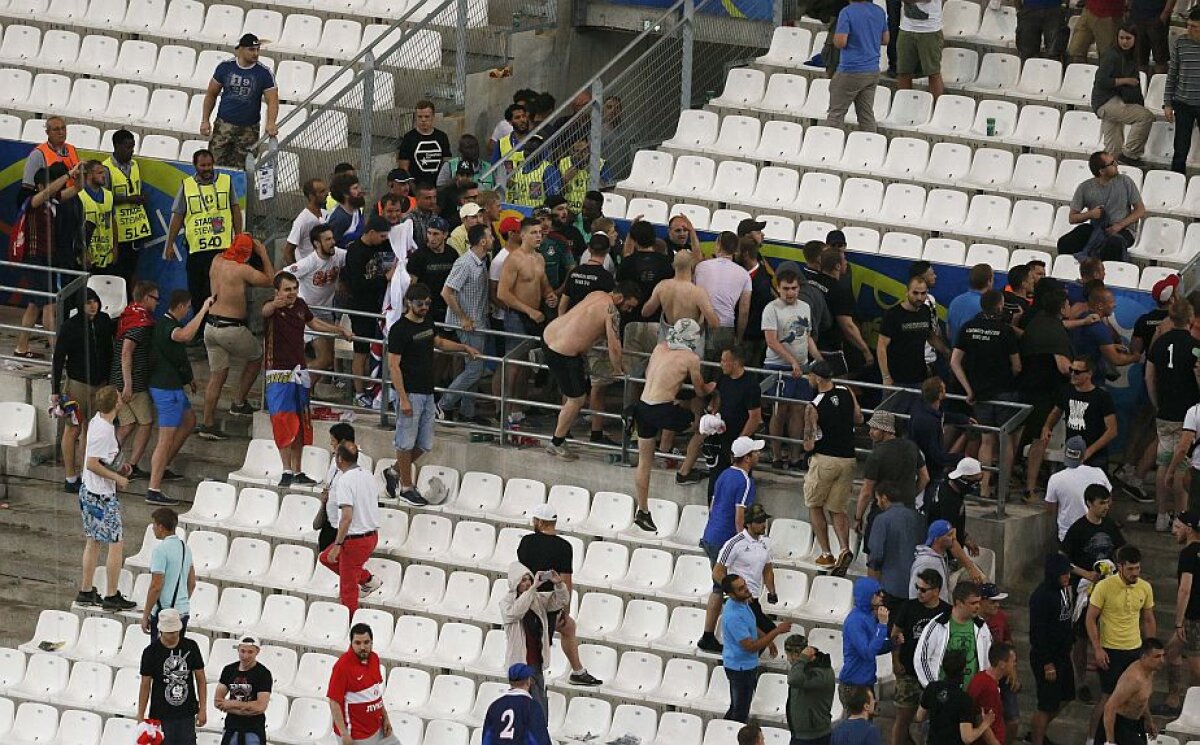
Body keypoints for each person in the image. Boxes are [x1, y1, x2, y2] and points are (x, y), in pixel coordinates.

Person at [382, 284, 480, 505]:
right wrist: (403, 398)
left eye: (427, 303)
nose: (424, 307)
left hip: (427, 391)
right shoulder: (399, 330)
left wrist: (463, 348)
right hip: (410, 392)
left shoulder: (427, 322)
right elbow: (393, 366)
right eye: (420, 304)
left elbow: (438, 342)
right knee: (405, 442)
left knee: (424, 443)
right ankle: (407, 487)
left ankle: (394, 472)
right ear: (409, 303)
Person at [263, 271, 352, 486]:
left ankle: (297, 470)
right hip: (278, 372)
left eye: (294, 288)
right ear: (277, 292)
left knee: (302, 422)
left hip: (300, 371)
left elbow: (314, 323)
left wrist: (338, 330)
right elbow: (265, 311)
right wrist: (276, 304)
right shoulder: (272, 308)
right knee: (282, 420)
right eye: (287, 289)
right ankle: (285, 470)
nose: (291, 293)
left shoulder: (301, 305)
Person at [542, 282, 640, 460]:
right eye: (628, 305)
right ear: (619, 298)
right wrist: (618, 369)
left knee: (574, 392)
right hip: (563, 353)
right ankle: (556, 442)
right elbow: (615, 346)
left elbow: (584, 323)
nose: (629, 310)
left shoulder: (597, 293)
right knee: (577, 399)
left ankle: (560, 438)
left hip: (549, 337)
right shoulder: (611, 311)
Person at [633, 319, 715, 532]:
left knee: (644, 461)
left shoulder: (659, 348)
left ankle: (642, 510)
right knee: (702, 426)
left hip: (643, 406)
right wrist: (714, 385)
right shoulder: (691, 357)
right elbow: (700, 391)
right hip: (662, 410)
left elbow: (651, 375)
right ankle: (685, 471)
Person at [198, 233, 274, 441]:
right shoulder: (242, 270)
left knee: (217, 377)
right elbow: (270, 279)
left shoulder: (217, 260)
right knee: (256, 356)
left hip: (211, 327)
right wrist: (264, 253)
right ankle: (239, 402)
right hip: (231, 328)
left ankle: (207, 423)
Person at [516, 505, 602, 687]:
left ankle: (577, 671)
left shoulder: (526, 542)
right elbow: (565, 580)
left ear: (539, 522)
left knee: (565, 629)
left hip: (527, 600)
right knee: (562, 629)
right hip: (548, 602)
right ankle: (572, 673)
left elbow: (521, 572)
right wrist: (566, 608)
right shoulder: (564, 547)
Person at [951, 289, 1022, 499]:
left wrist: (968, 389)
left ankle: (983, 488)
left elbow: (954, 361)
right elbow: (1017, 366)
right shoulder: (1006, 331)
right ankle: (1002, 488)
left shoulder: (968, 327)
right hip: (1004, 392)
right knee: (1005, 440)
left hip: (979, 394)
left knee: (986, 440)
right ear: (1000, 306)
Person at [697, 443, 768, 653]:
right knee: (738, 590)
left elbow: (713, 505)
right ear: (747, 457)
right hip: (726, 541)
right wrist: (744, 543)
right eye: (755, 452)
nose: (759, 454)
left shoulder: (724, 474)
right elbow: (740, 516)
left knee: (719, 588)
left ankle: (708, 636)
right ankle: (745, 639)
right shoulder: (745, 481)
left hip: (711, 535)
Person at [146, 290, 213, 506]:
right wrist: (204, 309)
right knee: (164, 440)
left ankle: (163, 465)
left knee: (189, 420)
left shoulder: (163, 324)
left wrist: (189, 377)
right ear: (183, 307)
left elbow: (177, 354)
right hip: (166, 390)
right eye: (189, 307)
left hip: (174, 385)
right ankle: (154, 488)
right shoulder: (168, 326)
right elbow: (184, 335)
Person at [73, 384, 135, 612]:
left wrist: (120, 467)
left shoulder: (98, 421)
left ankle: (86, 590)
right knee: (116, 543)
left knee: (93, 540)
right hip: (100, 495)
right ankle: (111, 594)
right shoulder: (104, 430)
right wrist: (118, 479)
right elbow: (92, 463)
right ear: (116, 403)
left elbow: (100, 458)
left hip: (89, 489)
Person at [1086, 544, 1157, 738]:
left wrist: (1151, 649)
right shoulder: (1104, 587)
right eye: (1131, 568)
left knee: (1136, 696)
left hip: (1135, 651)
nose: (1135, 573)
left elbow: (1149, 618)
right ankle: (1092, 739)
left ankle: (1130, 737)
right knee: (1108, 697)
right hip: (1111, 651)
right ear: (1120, 567)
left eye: (1138, 568)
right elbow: (1090, 618)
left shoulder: (1145, 587)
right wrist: (1097, 648)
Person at [164, 149, 244, 316]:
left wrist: (239, 237)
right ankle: (199, 328)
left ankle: (218, 324)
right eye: (202, 165)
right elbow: (178, 216)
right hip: (196, 250)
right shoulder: (187, 185)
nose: (207, 168)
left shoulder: (225, 181)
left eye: (209, 165)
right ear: (195, 166)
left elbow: (235, 210)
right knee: (197, 290)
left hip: (221, 248)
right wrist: (169, 244)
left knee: (220, 289)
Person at [802, 359, 863, 572]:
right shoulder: (846, 391)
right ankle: (844, 548)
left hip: (825, 458)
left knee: (815, 505)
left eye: (810, 375)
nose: (808, 379)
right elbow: (859, 418)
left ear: (817, 378)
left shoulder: (814, 405)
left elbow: (809, 442)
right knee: (837, 509)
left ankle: (826, 553)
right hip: (848, 459)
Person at [53, 288, 115, 493]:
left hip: (100, 384)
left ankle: (88, 475)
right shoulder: (70, 326)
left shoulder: (104, 321)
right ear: (80, 305)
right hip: (78, 385)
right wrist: (55, 390)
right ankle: (71, 477)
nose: (93, 305)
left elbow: (110, 351)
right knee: (73, 429)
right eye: (88, 302)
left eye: (95, 301)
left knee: (91, 431)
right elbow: (58, 359)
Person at [1147, 296, 1200, 529]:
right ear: (1190, 318)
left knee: (1163, 463)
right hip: (1186, 414)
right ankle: (1181, 516)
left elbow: (1149, 377)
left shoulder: (1159, 343)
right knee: (1181, 466)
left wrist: (1156, 403)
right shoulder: (1195, 347)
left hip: (1164, 412)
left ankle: (1161, 515)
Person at [683, 345, 763, 491]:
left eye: (724, 361)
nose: (721, 364)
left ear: (735, 363)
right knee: (716, 480)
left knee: (737, 483)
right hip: (720, 438)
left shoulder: (750, 385)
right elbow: (717, 395)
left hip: (738, 440)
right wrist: (713, 414)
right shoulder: (723, 378)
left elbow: (755, 417)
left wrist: (740, 442)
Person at [763, 267, 821, 469]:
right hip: (778, 366)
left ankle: (795, 456)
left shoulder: (805, 307)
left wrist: (819, 360)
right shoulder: (771, 309)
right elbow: (771, 341)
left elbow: (806, 337)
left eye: (794, 288)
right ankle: (777, 456)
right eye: (786, 288)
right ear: (778, 288)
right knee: (780, 411)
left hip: (802, 367)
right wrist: (792, 361)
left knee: (799, 411)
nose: (790, 292)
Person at [438, 224, 494, 424]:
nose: (494, 239)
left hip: (479, 322)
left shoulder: (482, 261)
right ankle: (444, 404)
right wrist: (462, 318)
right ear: (482, 241)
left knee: (474, 369)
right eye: (490, 236)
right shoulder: (465, 264)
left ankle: (467, 411)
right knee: (474, 370)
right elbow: (447, 292)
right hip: (467, 325)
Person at [720, 573, 792, 722]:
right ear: (732, 595)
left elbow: (751, 626)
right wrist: (776, 631)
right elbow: (750, 647)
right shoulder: (733, 616)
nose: (746, 589)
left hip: (744, 665)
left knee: (737, 706)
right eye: (741, 588)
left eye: (745, 584)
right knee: (740, 711)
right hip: (740, 669)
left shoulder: (742, 602)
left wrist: (767, 639)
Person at [320, 442, 382, 615]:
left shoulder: (345, 480)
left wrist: (338, 545)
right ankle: (367, 579)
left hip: (354, 539)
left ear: (339, 459)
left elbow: (346, 517)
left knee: (347, 591)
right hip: (371, 535)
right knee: (325, 558)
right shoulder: (368, 475)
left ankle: (351, 624)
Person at [281, 223, 346, 389]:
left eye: (333, 238)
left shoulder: (338, 254)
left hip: (327, 311)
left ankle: (305, 392)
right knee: (324, 359)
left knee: (327, 360)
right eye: (328, 239)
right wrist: (289, 301)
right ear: (317, 243)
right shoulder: (308, 263)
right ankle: (289, 380)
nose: (333, 242)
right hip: (308, 314)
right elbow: (281, 276)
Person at [501, 562, 570, 714]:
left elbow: (561, 601)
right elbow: (516, 612)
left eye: (528, 579)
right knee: (523, 705)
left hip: (536, 661)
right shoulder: (506, 602)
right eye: (522, 580)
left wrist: (559, 584)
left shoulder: (537, 599)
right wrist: (533, 588)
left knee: (539, 702)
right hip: (519, 663)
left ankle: (539, 731)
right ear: (515, 582)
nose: (526, 583)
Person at [892, 568, 951, 745]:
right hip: (908, 672)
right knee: (903, 717)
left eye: (923, 590)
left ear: (936, 591)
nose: (919, 592)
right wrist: (895, 661)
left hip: (934, 676)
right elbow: (895, 634)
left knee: (932, 719)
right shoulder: (908, 607)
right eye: (917, 588)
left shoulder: (947, 612)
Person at [201, 34, 277, 167]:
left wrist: (271, 123)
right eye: (251, 49)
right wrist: (205, 120)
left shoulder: (264, 73)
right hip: (224, 125)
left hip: (248, 129)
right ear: (240, 49)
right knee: (215, 164)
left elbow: (273, 100)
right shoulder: (225, 67)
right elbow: (211, 94)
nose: (256, 53)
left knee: (242, 169)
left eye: (258, 49)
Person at [1056, 151, 1146, 260]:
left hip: (1123, 229)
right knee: (1066, 242)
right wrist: (1090, 214)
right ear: (1102, 171)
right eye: (1112, 164)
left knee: (1112, 243)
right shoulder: (1085, 187)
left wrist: (1120, 225)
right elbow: (1072, 218)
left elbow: (1140, 210)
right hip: (1096, 227)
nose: (1116, 165)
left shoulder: (1125, 181)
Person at [1028, 553, 1076, 745]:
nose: (1068, 577)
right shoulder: (1041, 597)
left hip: (1063, 655)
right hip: (1047, 658)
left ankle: (1038, 732)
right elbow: (1037, 634)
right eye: (1064, 573)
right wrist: (1047, 663)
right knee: (1046, 705)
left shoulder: (1063, 590)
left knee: (1066, 696)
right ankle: (1036, 739)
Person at [138, 609, 206, 744]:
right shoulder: (150, 652)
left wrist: (203, 708)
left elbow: (201, 679)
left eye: (175, 631)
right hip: (161, 713)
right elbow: (145, 685)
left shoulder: (191, 646)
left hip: (186, 712)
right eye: (169, 632)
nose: (173, 635)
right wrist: (140, 714)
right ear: (161, 631)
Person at [617, 219, 675, 376]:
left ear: (634, 240)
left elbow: (620, 287)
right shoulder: (665, 263)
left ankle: (630, 401)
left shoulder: (628, 263)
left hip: (631, 322)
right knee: (655, 374)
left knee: (631, 375)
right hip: (657, 323)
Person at [1041, 356, 1118, 472]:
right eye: (1071, 370)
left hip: (1095, 455)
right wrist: (1047, 426)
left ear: (1089, 374)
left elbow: (1112, 430)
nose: (1072, 374)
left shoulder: (1101, 397)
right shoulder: (1066, 391)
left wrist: (1090, 451)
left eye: (1077, 372)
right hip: (1071, 451)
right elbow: (1056, 412)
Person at [712, 503, 779, 637]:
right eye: (759, 521)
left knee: (758, 635)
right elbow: (717, 572)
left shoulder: (766, 542)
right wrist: (735, 593)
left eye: (764, 520)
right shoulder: (735, 543)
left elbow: (767, 569)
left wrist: (772, 592)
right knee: (765, 632)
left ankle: (736, 658)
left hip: (753, 598)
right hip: (740, 600)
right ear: (748, 524)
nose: (763, 525)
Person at [1095, 24, 1157, 165]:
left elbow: (1134, 87)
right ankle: (1130, 154)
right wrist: (1126, 80)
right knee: (1146, 117)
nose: (1124, 41)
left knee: (1112, 152)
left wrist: (1138, 103)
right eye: (1121, 38)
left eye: (1128, 38)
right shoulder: (1111, 55)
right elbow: (1101, 81)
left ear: (1135, 39)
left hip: (1113, 102)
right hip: (1106, 101)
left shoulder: (1130, 56)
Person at [913, 581, 994, 689]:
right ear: (959, 603)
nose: (978, 606)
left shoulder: (982, 627)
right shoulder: (937, 625)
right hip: (943, 695)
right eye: (973, 603)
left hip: (973, 695)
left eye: (978, 602)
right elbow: (921, 659)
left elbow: (989, 659)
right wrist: (933, 688)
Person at [880, 275, 945, 399]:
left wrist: (947, 352)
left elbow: (930, 336)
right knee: (889, 416)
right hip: (896, 378)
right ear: (907, 291)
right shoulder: (893, 314)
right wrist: (886, 377)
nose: (919, 297)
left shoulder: (925, 311)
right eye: (915, 293)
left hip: (919, 377)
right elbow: (881, 346)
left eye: (923, 293)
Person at [827, 0, 889, 130]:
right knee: (866, 115)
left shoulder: (847, 12)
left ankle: (831, 146)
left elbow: (840, 42)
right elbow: (885, 39)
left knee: (836, 115)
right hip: (872, 70)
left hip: (850, 69)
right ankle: (870, 146)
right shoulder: (879, 11)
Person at [867, 480, 928, 610]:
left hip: (890, 586)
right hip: (916, 585)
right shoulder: (919, 518)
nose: (877, 503)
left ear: (884, 498)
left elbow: (876, 554)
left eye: (877, 499)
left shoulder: (882, 520)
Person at [1161, 512, 1200, 715]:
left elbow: (1185, 589)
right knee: (1171, 651)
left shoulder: (1189, 553)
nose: (1173, 531)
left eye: (1177, 527)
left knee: (1196, 667)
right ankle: (1173, 700)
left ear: (1189, 528)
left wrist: (1179, 621)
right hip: (1193, 617)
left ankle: (1193, 709)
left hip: (1193, 618)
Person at [643, 250, 718, 355]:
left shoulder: (662, 286)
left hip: (666, 345)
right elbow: (714, 323)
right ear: (692, 266)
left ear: (673, 266)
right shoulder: (698, 292)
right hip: (690, 348)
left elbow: (646, 312)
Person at [327, 623, 392, 745]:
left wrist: (385, 718)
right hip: (354, 735)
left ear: (372, 642)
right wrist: (344, 734)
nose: (362, 647)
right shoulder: (342, 667)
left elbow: (375, 693)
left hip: (376, 730)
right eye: (358, 643)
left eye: (366, 642)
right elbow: (334, 702)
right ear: (351, 643)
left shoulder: (374, 659)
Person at [694, 232, 752, 367]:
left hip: (700, 324)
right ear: (736, 250)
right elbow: (744, 311)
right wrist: (739, 336)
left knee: (696, 368)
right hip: (726, 327)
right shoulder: (744, 274)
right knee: (719, 372)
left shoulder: (701, 267)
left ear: (718, 245)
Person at [916, 649, 995, 745]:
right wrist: (985, 724)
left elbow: (919, 717)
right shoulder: (964, 699)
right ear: (963, 670)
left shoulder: (932, 687)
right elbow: (967, 738)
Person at [1097, 638, 1166, 745]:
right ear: (1144, 657)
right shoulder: (1133, 679)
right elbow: (1109, 707)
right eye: (1157, 656)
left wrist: (1149, 720)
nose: (1162, 660)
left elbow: (1142, 699)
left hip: (1135, 723)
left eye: (1163, 656)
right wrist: (1110, 742)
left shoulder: (1150, 672)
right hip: (1118, 724)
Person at [103, 130, 151, 283]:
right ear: (116, 146)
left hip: (135, 227)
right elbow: (104, 199)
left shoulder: (135, 165)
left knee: (132, 270)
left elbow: (135, 189)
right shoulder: (106, 169)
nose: (131, 151)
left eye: (133, 147)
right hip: (117, 230)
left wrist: (141, 197)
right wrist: (129, 199)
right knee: (117, 271)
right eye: (127, 147)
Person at [1045, 437, 1114, 542]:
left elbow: (1050, 510)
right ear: (1083, 454)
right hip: (1096, 535)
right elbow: (1109, 501)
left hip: (1067, 536)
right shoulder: (1099, 472)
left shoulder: (1055, 479)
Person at [141, 508, 196, 639]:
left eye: (154, 525)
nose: (153, 528)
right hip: (182, 610)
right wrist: (181, 601)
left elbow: (156, 586)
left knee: (159, 656)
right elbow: (192, 583)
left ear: (160, 527)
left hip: (164, 613)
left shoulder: (160, 550)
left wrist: (146, 614)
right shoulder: (185, 548)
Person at [214, 635, 272, 745]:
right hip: (232, 726)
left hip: (253, 728)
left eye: (250, 652)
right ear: (238, 650)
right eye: (243, 651)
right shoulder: (229, 670)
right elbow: (218, 702)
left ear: (257, 652)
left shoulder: (263, 674)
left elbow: (260, 707)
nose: (245, 656)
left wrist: (232, 704)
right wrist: (246, 709)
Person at [840, 577, 892, 697]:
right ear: (867, 595)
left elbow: (874, 646)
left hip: (866, 681)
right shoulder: (855, 621)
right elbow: (868, 653)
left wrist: (892, 644)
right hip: (854, 685)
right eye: (877, 593)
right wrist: (882, 625)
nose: (882, 595)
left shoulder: (868, 616)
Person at [482, 664, 552, 745]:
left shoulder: (495, 705)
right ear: (528, 681)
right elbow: (539, 739)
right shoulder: (532, 706)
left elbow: (487, 738)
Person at [785, 634, 837, 745]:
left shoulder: (821, 673)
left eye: (789, 655)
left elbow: (793, 679)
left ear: (795, 655)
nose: (789, 660)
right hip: (800, 734)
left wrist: (802, 659)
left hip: (815, 737)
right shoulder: (804, 668)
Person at [1167, 9, 1200, 174]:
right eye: (1189, 26)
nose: (1190, 30)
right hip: (1183, 103)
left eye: (1194, 27)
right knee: (1180, 150)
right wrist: (1167, 103)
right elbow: (1172, 75)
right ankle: (1176, 182)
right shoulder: (1180, 43)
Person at [316, 423, 355, 553]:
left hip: (344, 528)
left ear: (342, 442)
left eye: (333, 440)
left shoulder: (358, 465)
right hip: (329, 521)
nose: (331, 443)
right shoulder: (335, 459)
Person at [894, 0, 946, 99]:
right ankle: (903, 105)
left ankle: (936, 107)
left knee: (933, 73)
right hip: (906, 28)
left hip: (930, 30)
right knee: (903, 72)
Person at [967, 642, 1016, 745]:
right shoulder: (988, 688)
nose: (1014, 665)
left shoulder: (982, 678)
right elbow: (983, 720)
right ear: (1002, 664)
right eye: (1013, 661)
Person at [77, 160, 117, 274]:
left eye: (104, 172)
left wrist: (115, 247)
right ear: (89, 175)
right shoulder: (80, 196)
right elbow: (75, 228)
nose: (104, 176)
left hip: (106, 253)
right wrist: (83, 253)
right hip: (88, 256)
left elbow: (113, 222)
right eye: (100, 173)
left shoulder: (109, 195)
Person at [398, 100, 452, 181]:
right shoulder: (409, 138)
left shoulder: (441, 137)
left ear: (433, 116)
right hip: (416, 187)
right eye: (420, 116)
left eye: (427, 116)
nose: (423, 120)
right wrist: (414, 190)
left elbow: (446, 164)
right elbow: (404, 169)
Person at [22, 115, 78, 190]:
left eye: (63, 128)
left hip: (71, 196)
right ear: (47, 132)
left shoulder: (72, 149)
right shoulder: (38, 154)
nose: (61, 132)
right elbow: (27, 186)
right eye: (56, 129)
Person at [282, 179, 329, 265]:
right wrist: (297, 272)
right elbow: (287, 251)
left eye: (325, 190)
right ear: (311, 196)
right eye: (322, 191)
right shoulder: (302, 220)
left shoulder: (325, 214)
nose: (327, 193)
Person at [948, 265, 994, 345]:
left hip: (956, 352)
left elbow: (949, 333)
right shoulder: (987, 306)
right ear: (989, 281)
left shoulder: (955, 301)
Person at [327, 172, 366, 249]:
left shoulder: (356, 210)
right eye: (355, 188)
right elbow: (330, 246)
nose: (360, 190)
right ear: (345, 194)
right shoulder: (339, 218)